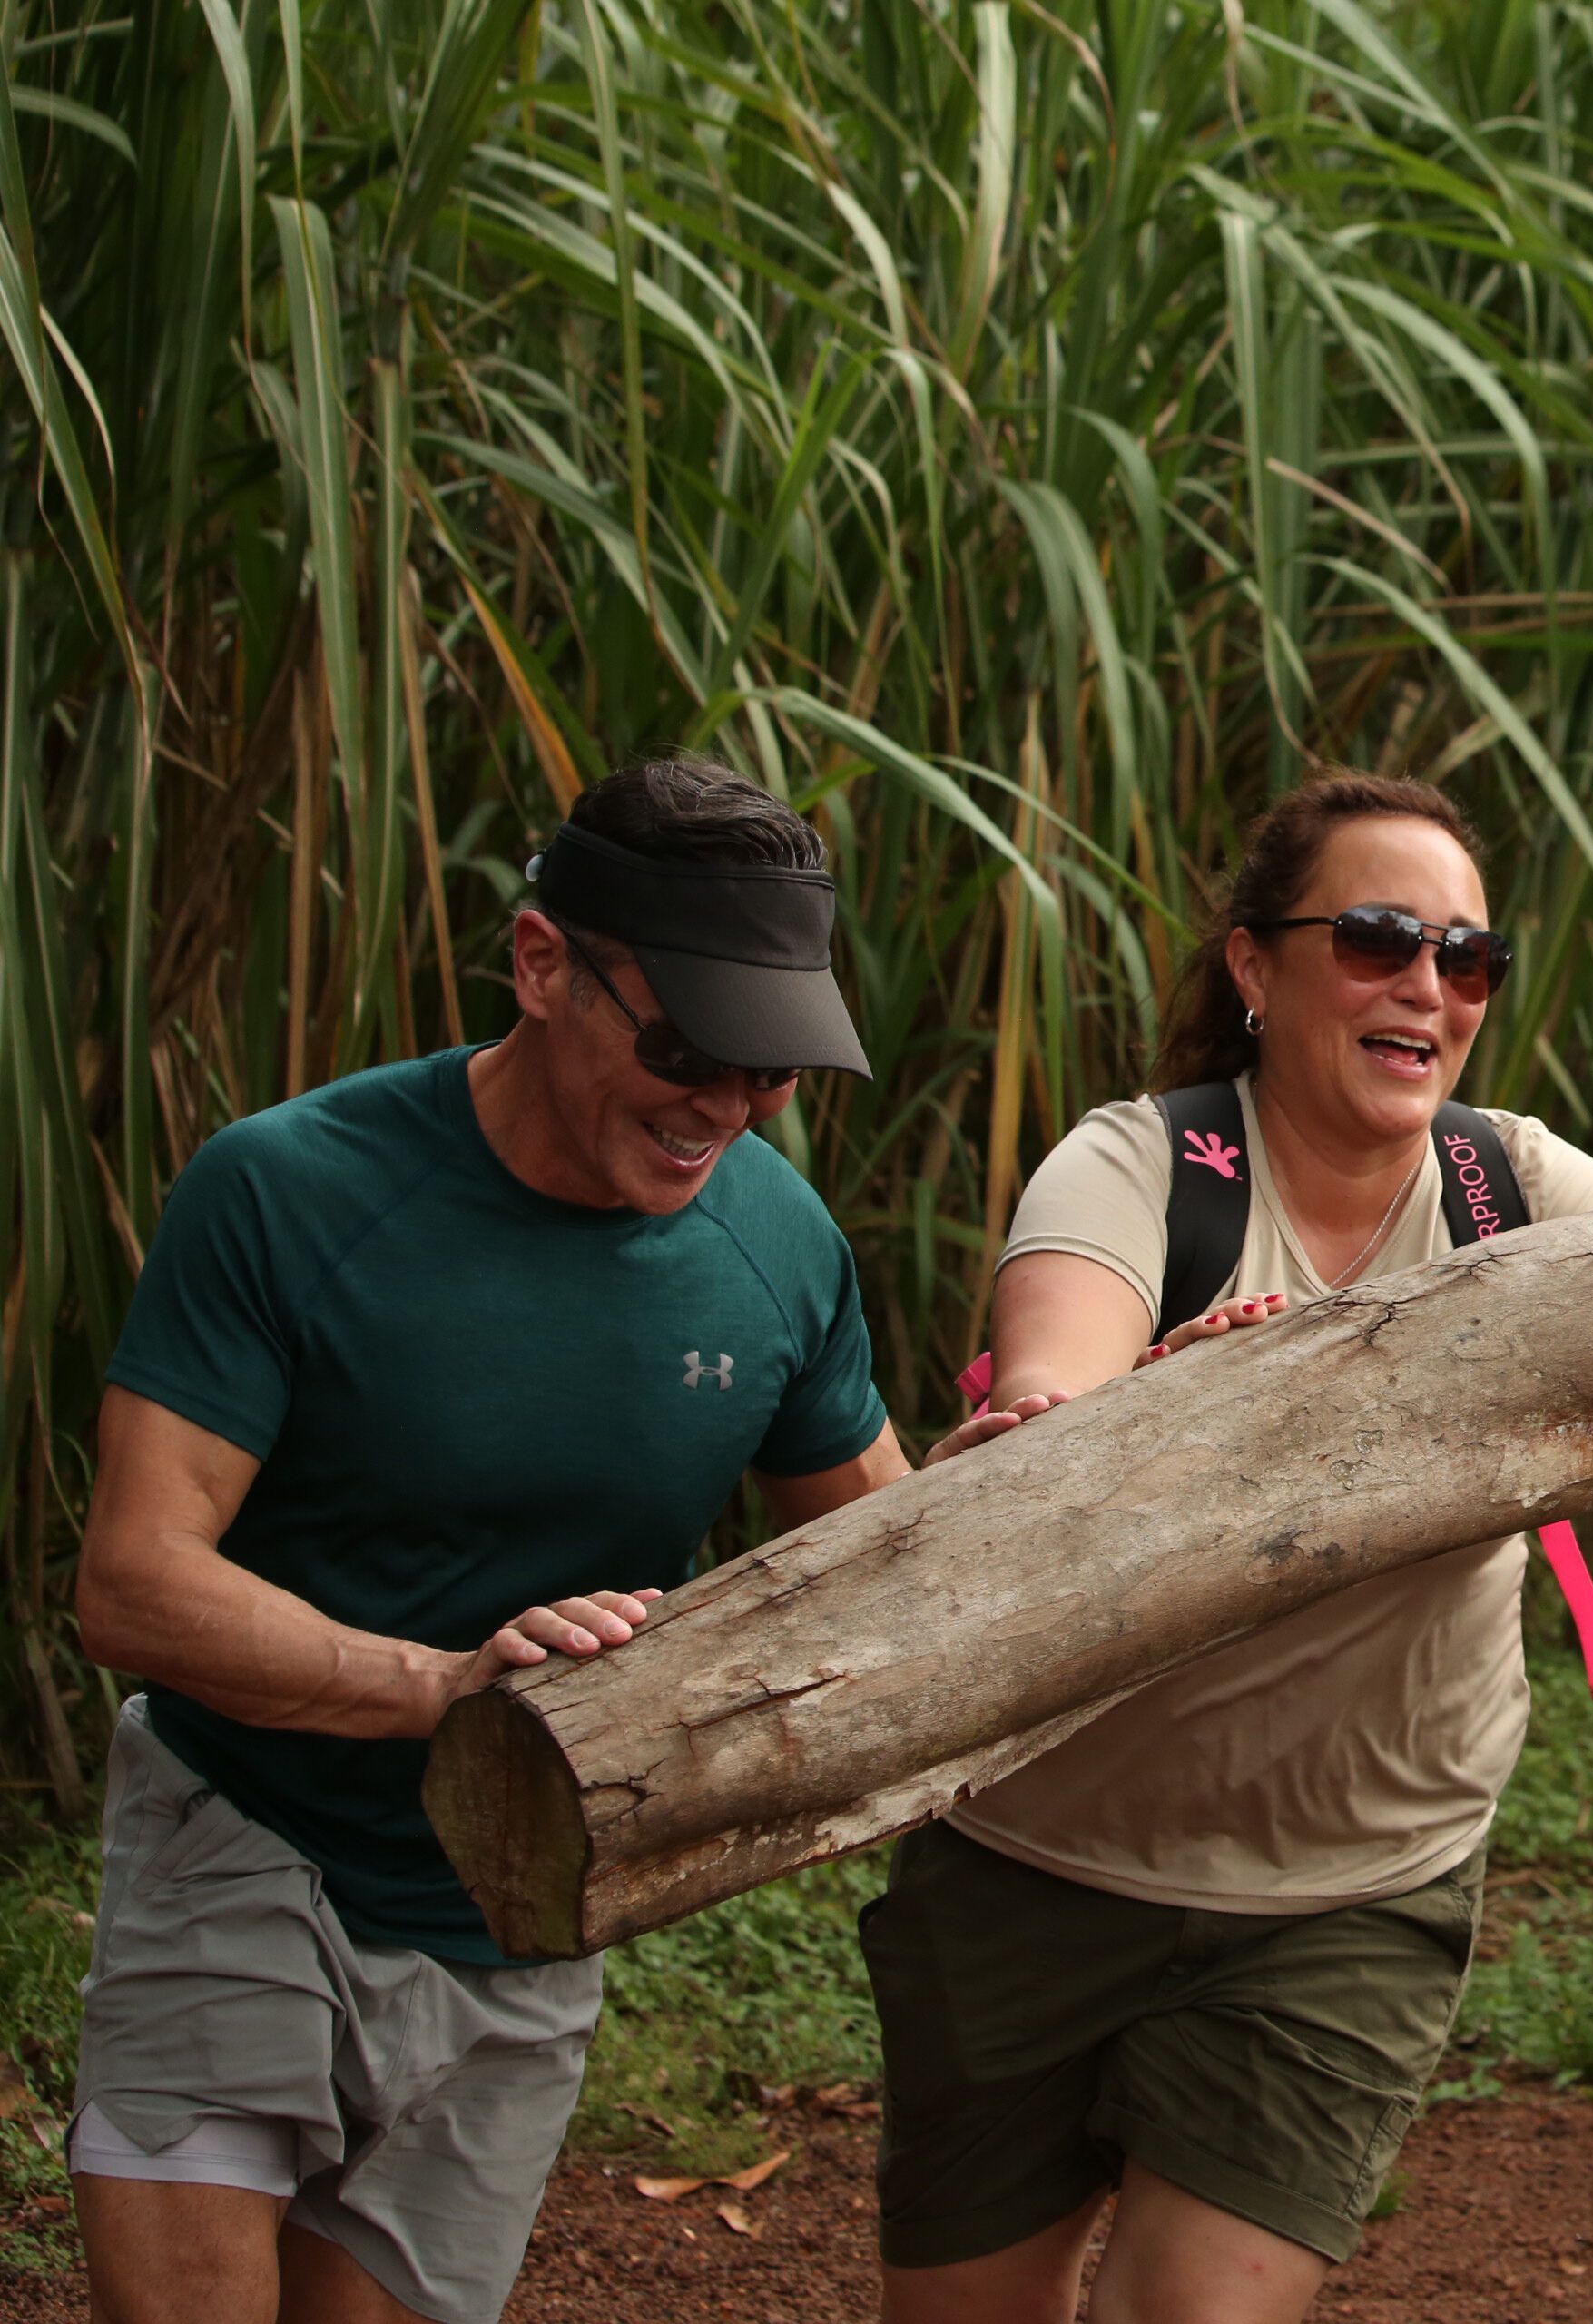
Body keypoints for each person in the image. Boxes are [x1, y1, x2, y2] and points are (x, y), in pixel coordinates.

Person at [870, 772, 1593, 2324]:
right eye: (1380, 939)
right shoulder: (1144, 1168)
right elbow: (1054, 1393)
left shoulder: (1520, 1191)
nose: (1428, 987)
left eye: (1468, 958)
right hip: (1033, 1864)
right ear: (1254, 969)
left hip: (1350, 1891)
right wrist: (1145, 1417)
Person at [67, 757, 1006, 2324]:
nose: (725, 1108)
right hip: (244, 1838)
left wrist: (1010, 1485)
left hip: (524, 1911)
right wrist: (445, 1688)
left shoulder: (777, 1244)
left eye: (772, 1068)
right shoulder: (288, 1190)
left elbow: (877, 1569)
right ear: (542, 963)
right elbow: (133, 1586)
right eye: (685, 1048)